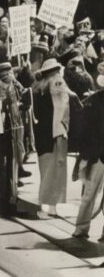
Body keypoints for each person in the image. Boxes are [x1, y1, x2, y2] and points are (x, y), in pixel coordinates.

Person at [32, 58, 76, 219]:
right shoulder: (58, 82)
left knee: (45, 171)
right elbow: (61, 109)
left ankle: (44, 206)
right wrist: (61, 133)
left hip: (41, 134)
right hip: (55, 133)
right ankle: (51, 207)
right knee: (56, 170)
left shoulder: (37, 87)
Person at [0, 61, 28, 216]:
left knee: (14, 161)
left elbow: (26, 104)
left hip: (16, 129)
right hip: (0, 131)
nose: (7, 77)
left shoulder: (18, 87)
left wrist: (23, 105)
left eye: (9, 74)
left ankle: (12, 192)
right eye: (3, 75)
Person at [74, 70, 104, 239]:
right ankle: (81, 227)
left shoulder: (92, 101)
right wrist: (85, 153)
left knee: (89, 193)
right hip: (97, 154)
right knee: (89, 194)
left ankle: (83, 228)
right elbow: (84, 130)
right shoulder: (93, 102)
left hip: (97, 153)